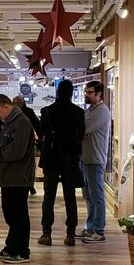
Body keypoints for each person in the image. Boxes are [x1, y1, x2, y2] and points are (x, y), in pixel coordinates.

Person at [0, 94, 34, 263]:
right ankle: (11, 247)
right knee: (11, 214)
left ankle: (22, 251)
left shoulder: (20, 123)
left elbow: (17, 151)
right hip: (10, 176)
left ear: (6, 106)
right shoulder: (11, 122)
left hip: (18, 177)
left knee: (18, 215)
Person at [37, 80, 86, 246]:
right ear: (72, 93)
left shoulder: (47, 111)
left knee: (48, 196)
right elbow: (81, 134)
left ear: (57, 92)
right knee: (70, 197)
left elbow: (41, 133)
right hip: (70, 159)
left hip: (51, 158)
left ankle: (46, 234)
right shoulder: (78, 112)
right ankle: (70, 234)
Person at [80, 80, 114, 241]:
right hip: (86, 158)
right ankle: (90, 227)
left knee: (97, 196)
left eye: (90, 92)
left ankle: (99, 231)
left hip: (94, 158)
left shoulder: (101, 111)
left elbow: (84, 130)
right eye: (86, 92)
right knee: (88, 196)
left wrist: (83, 132)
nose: (87, 95)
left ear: (99, 94)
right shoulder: (90, 110)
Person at [14, 96, 40, 196]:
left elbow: (37, 125)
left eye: (19, 103)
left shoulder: (29, 112)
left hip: (29, 142)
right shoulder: (12, 114)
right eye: (16, 103)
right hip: (16, 143)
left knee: (29, 165)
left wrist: (39, 137)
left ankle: (30, 185)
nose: (18, 105)